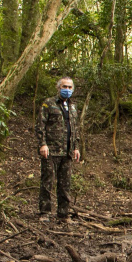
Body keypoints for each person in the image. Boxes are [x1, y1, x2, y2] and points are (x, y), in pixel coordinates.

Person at [36, 76, 81, 222]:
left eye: (69, 87)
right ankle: (45, 213)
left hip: (67, 151)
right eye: (64, 87)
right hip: (51, 150)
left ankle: (63, 214)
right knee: (47, 181)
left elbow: (75, 129)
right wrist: (42, 144)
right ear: (58, 88)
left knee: (65, 184)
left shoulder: (73, 107)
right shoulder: (49, 104)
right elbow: (40, 125)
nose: (67, 89)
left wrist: (76, 148)